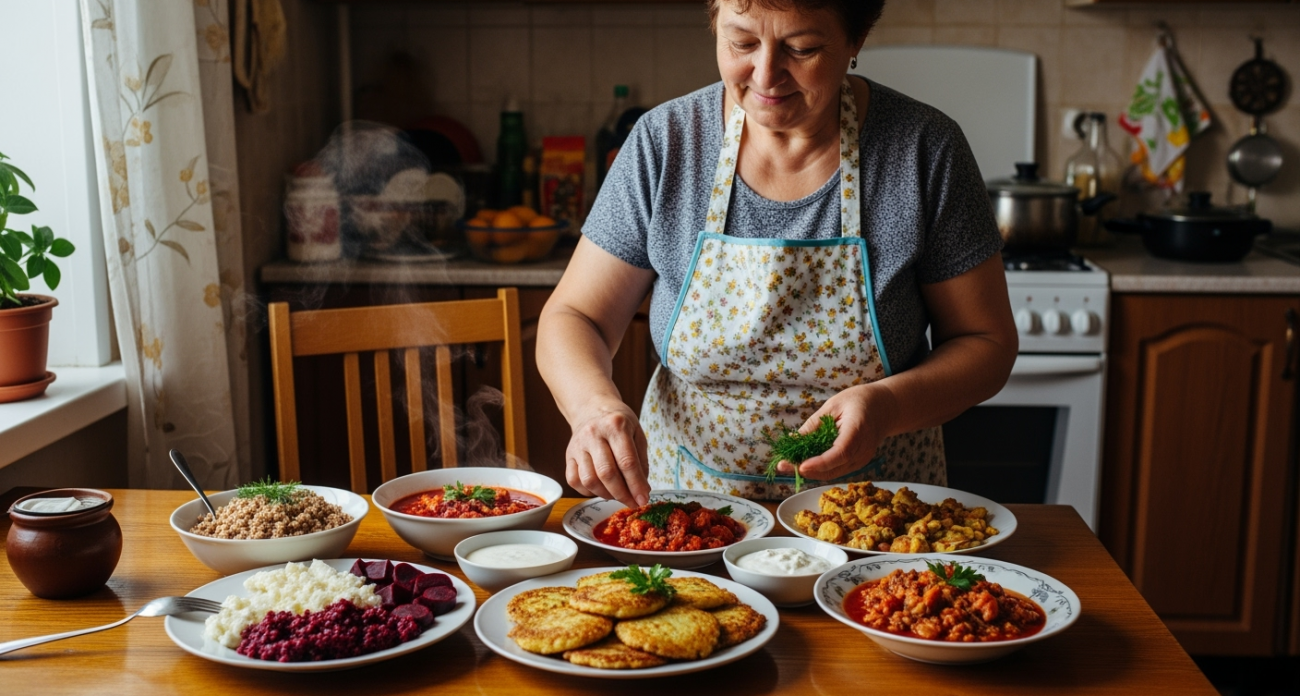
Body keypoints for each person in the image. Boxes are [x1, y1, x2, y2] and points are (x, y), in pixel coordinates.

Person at [537, 0, 1018, 509]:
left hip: (874, 518)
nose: (765, 75)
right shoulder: (666, 143)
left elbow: (985, 343)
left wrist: (886, 407)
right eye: (741, 42)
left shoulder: (923, 149)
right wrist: (592, 407)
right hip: (687, 514)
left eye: (802, 48)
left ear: (856, 40)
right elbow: (575, 315)